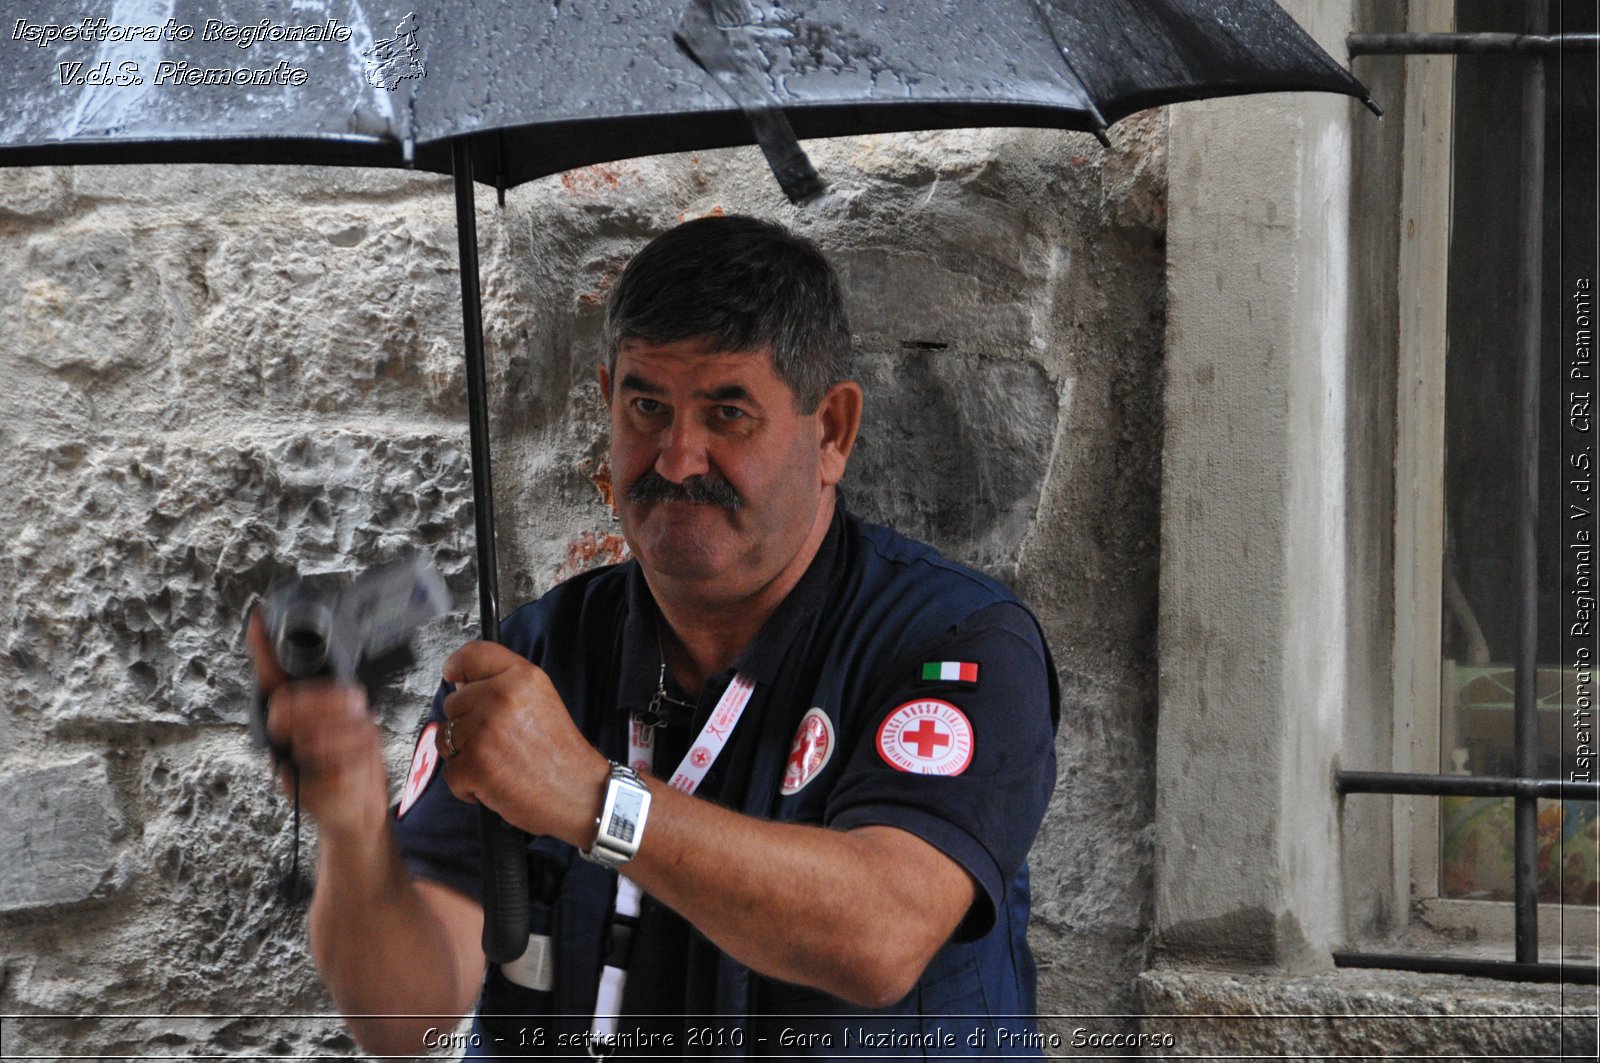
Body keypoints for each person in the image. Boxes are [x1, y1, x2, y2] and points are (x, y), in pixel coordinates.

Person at [250, 214, 1060, 1059]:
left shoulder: (955, 642)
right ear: (607, 402)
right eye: (647, 406)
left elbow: (882, 934)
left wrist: (596, 802)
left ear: (832, 432)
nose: (677, 457)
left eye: (727, 412)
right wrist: (350, 825)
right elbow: (402, 1019)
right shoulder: (530, 660)